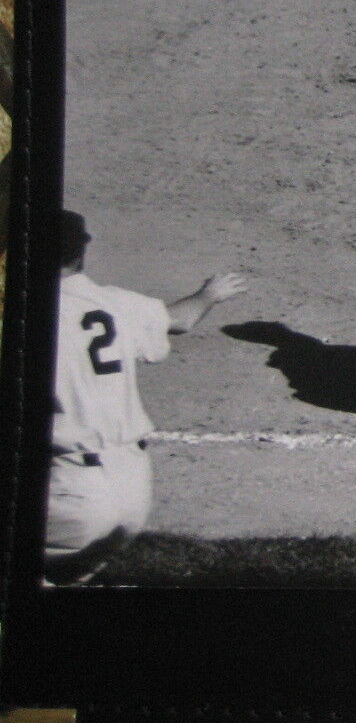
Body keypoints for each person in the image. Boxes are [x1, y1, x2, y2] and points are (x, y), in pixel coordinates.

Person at [48, 210, 247, 585]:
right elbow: (179, 320)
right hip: (132, 490)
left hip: (67, 490)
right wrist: (208, 295)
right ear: (81, 252)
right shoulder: (114, 304)